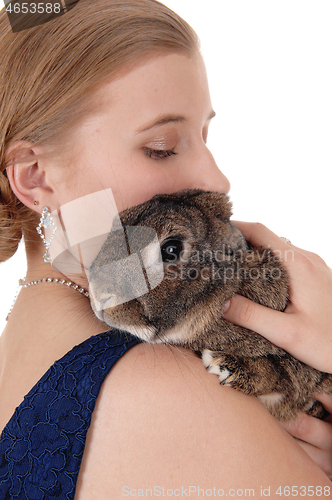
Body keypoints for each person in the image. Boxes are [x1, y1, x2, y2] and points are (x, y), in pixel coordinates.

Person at [0, 0, 331, 497]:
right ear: (35, 177)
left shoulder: (19, 355)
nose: (216, 178)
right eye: (162, 147)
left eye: (205, 135)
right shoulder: (171, 390)